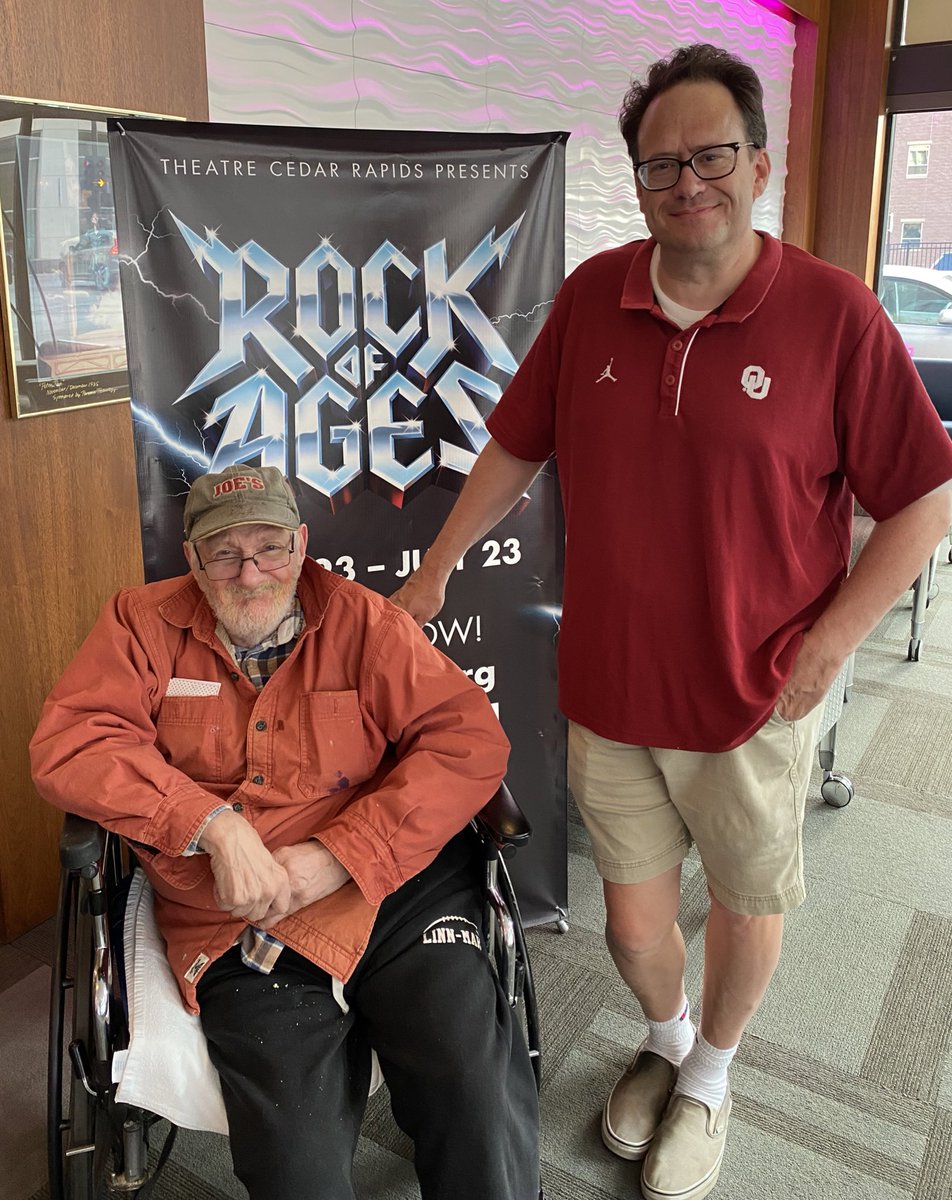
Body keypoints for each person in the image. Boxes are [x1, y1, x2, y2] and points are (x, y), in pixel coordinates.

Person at [391, 42, 952, 1200]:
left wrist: (832, 642)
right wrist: (437, 565)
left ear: (757, 164)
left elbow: (923, 501)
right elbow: (516, 443)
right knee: (634, 923)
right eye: (658, 165)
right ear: (638, 181)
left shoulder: (835, 316)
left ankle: (714, 1075)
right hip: (609, 686)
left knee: (747, 902)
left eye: (709, 156)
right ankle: (662, 1038)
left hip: (756, 692)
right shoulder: (597, 293)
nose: (683, 183)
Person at [31, 464, 540, 1200]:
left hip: (396, 891)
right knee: (294, 1168)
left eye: (269, 547)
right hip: (239, 917)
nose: (250, 572)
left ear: (301, 546)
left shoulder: (365, 621)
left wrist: (342, 853)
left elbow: (466, 739)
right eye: (225, 552)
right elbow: (75, 742)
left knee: (478, 1094)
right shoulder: (139, 624)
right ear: (193, 559)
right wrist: (213, 827)